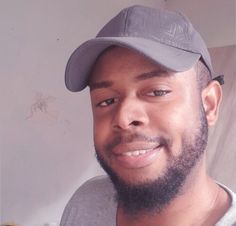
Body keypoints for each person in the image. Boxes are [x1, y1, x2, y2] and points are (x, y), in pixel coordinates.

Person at [60, 5, 236, 226]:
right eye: (106, 101)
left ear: (209, 104)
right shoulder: (87, 202)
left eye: (157, 92)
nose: (123, 118)